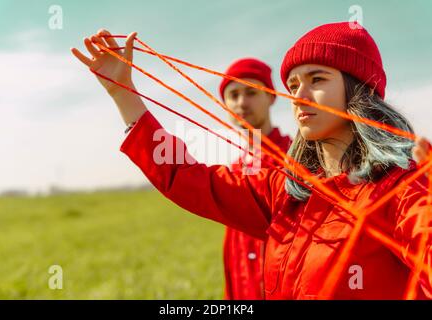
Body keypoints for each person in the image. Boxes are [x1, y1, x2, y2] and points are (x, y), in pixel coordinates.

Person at [71, 22, 432, 299]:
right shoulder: (286, 190)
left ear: (360, 89)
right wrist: (124, 95)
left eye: (317, 79)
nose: (299, 96)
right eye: (292, 85)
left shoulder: (404, 188)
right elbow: (189, 178)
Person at [219, 58, 291, 299]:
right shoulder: (236, 167)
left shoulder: (295, 159)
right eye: (234, 95)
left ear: (271, 97)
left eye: (251, 92)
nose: (241, 102)